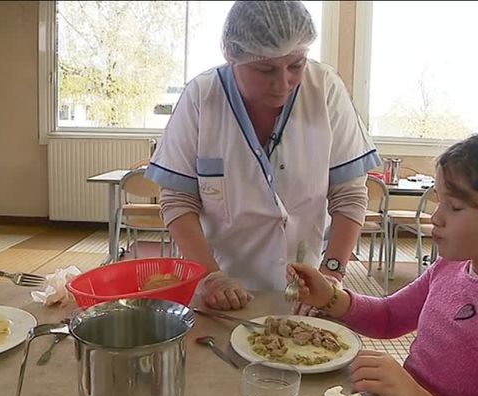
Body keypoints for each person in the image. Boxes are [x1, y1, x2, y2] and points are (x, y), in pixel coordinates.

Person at [145, 1, 380, 311]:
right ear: (233, 55)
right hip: (222, 288)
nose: (283, 83)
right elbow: (178, 200)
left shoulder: (325, 90)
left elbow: (349, 195)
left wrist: (332, 272)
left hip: (304, 287)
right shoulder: (202, 97)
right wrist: (212, 277)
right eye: (265, 69)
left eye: (296, 65)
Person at [288, 130, 478, 396]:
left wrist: (414, 394)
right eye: (440, 201)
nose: (436, 218)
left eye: (456, 207)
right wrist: (330, 296)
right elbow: (389, 317)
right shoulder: (449, 267)